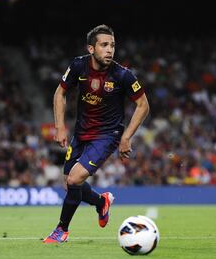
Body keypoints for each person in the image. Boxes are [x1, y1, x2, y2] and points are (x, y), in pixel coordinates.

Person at [43, 24, 150, 243]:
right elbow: (60, 92)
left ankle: (61, 230)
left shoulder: (122, 75)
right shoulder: (79, 66)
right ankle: (101, 203)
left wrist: (126, 137)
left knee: (74, 179)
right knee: (69, 183)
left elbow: (143, 105)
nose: (109, 50)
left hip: (107, 135)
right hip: (81, 133)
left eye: (112, 45)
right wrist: (59, 126)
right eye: (104, 45)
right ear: (91, 49)